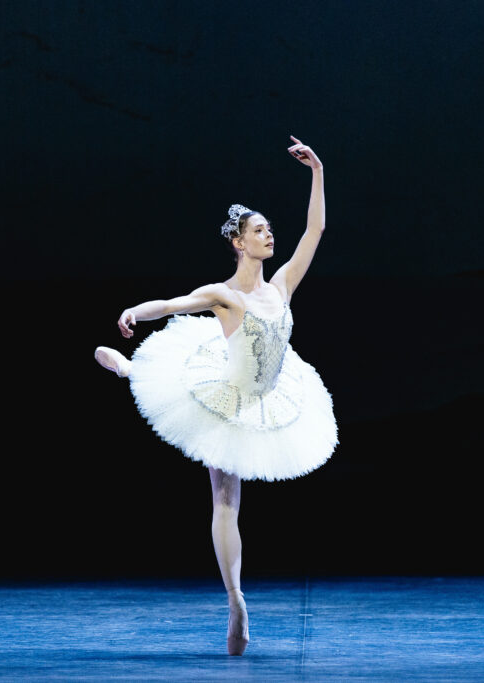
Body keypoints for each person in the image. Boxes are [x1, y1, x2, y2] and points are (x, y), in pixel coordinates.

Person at [94, 135, 338, 656]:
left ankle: (129, 370)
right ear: (239, 243)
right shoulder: (222, 295)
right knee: (226, 500)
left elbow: (315, 228)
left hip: (271, 396)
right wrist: (135, 311)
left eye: (270, 228)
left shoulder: (284, 286)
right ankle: (236, 600)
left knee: (231, 499)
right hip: (227, 398)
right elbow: (172, 302)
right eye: (259, 230)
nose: (270, 234)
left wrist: (317, 169)